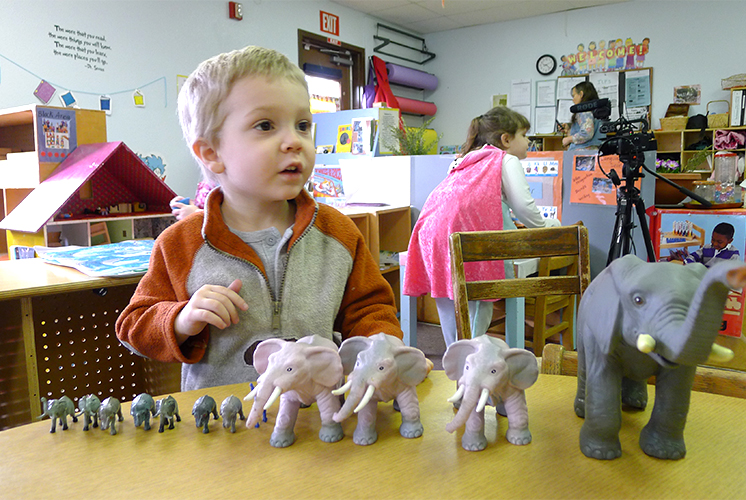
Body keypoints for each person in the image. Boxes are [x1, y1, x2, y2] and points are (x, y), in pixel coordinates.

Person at [116, 45, 402, 391]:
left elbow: (369, 309)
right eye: (266, 125)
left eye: (302, 125)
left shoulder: (338, 232)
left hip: (319, 418)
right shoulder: (181, 244)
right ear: (211, 153)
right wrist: (181, 319)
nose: (294, 141)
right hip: (225, 426)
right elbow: (134, 326)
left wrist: (383, 346)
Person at [403, 106, 561, 348]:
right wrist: (550, 225)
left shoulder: (463, 160)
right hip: (467, 239)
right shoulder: (505, 160)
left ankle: (455, 356)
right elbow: (525, 209)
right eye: (525, 135)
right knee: (477, 307)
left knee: (450, 303)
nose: (529, 141)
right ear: (506, 139)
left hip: (431, 233)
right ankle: (469, 361)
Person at [562, 81, 604, 150]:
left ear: (581, 94)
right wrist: (569, 129)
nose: (573, 100)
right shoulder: (596, 110)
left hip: (582, 153)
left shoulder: (584, 111)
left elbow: (587, 133)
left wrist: (568, 139)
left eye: (574, 96)